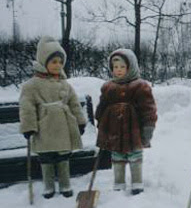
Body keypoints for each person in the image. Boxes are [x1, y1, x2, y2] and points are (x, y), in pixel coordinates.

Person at [19, 36, 87, 198]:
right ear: (44, 62)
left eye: (60, 62)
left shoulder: (65, 84)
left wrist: (80, 122)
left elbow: (74, 104)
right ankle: (48, 186)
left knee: (64, 156)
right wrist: (28, 127)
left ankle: (65, 184)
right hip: (44, 128)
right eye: (54, 62)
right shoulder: (31, 85)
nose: (58, 65)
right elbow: (27, 107)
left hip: (63, 127)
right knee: (47, 158)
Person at [95, 48, 157, 195]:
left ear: (131, 67)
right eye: (115, 67)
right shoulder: (108, 87)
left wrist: (148, 127)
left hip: (133, 130)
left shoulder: (140, 86)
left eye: (123, 66)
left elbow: (148, 109)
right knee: (117, 156)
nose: (119, 70)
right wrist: (101, 122)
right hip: (114, 130)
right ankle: (119, 182)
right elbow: (101, 107)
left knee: (135, 155)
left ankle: (137, 182)